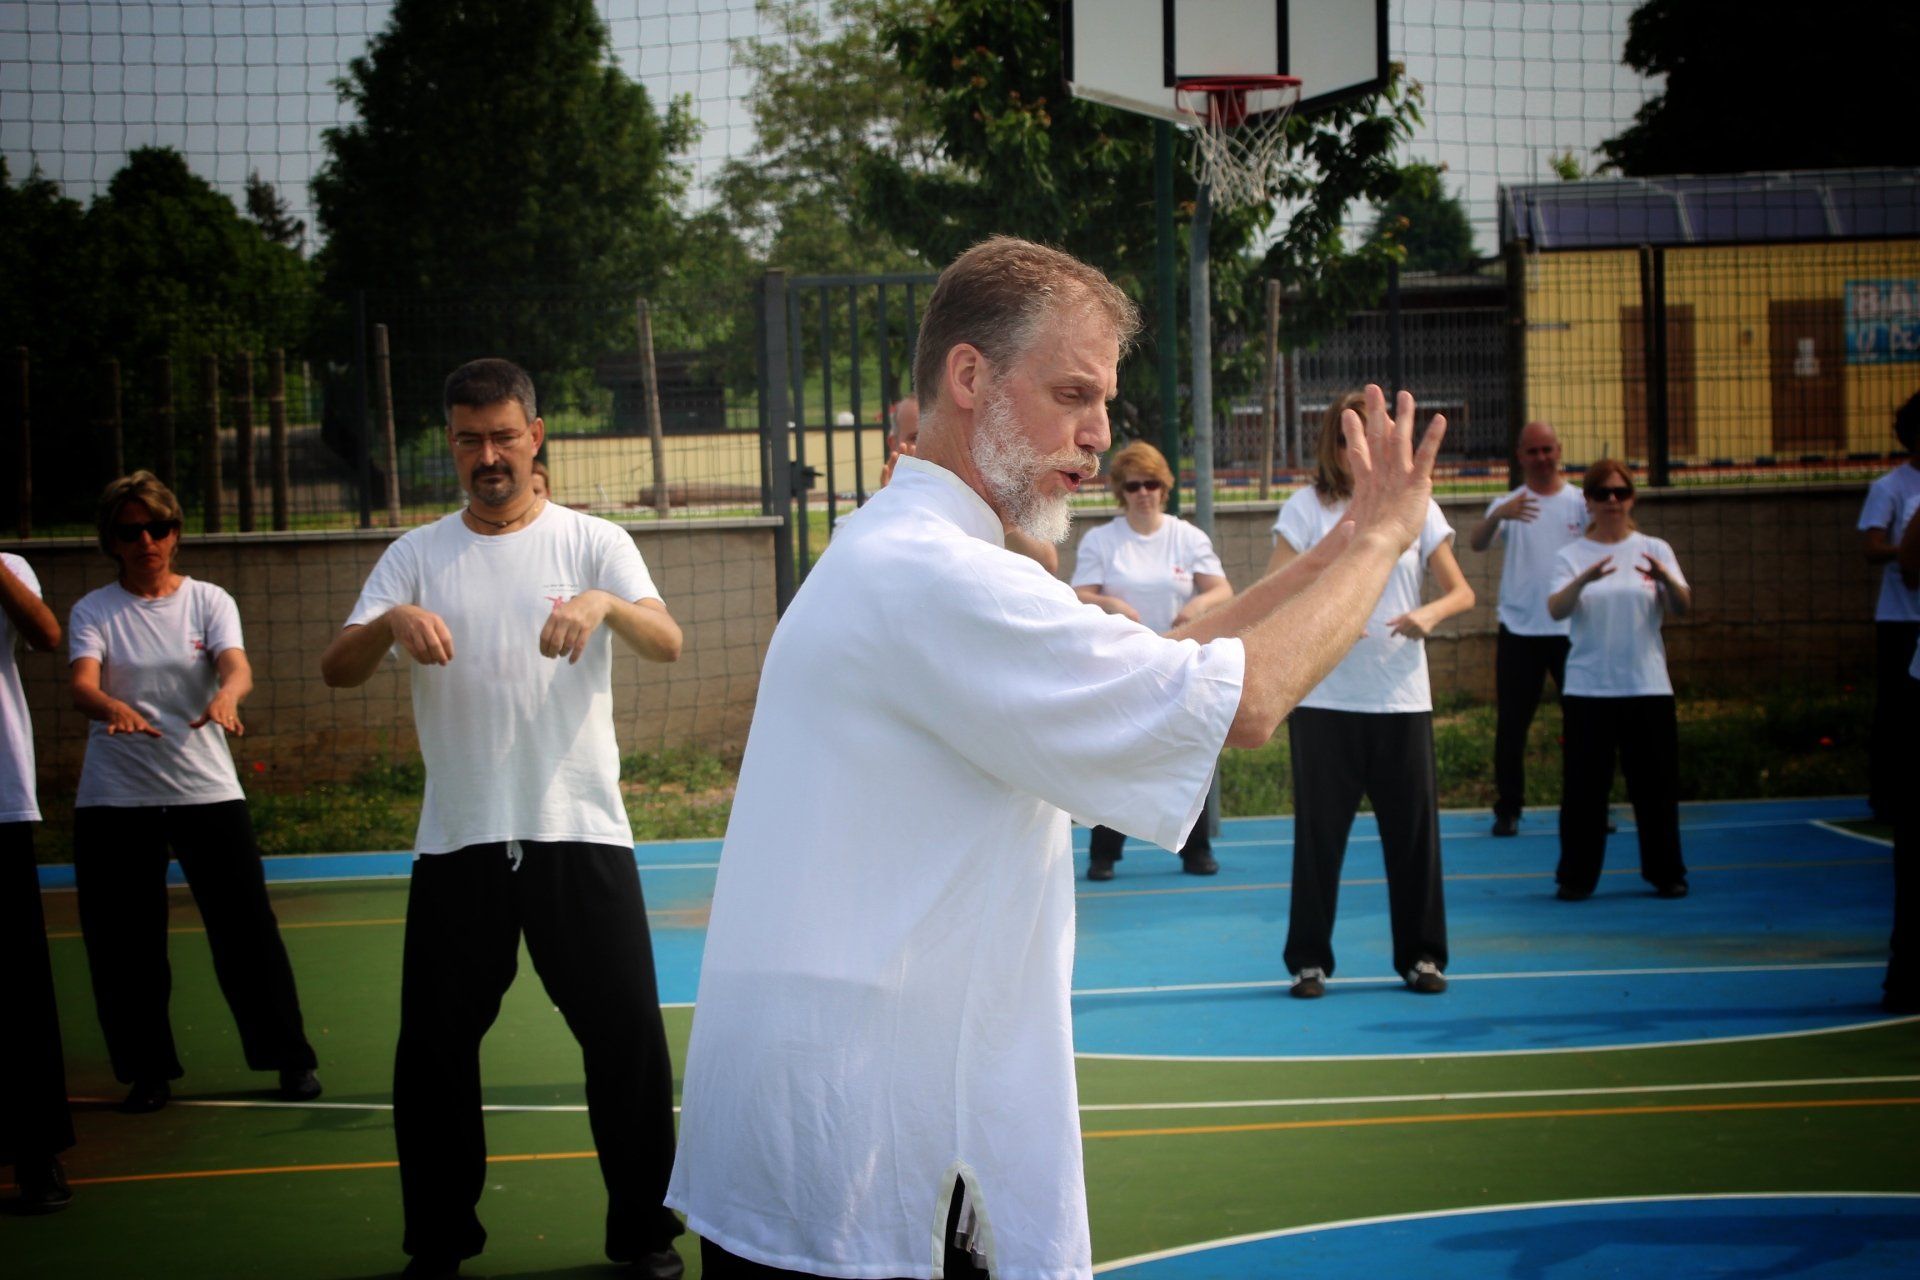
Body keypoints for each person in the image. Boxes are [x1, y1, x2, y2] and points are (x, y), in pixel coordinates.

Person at [667, 236, 1447, 1280]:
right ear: (969, 376)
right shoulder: (942, 577)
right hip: (866, 1158)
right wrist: (1382, 539)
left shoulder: (920, 551)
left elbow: (1170, 661)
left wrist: (1341, 536)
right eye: (1072, 392)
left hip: (837, 1136)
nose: (1098, 436)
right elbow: (1247, 703)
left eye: (1107, 402)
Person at [319, 358, 687, 1280]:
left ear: (536, 436)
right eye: (469, 439)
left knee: (627, 1044)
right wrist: (390, 621)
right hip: (461, 841)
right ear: (452, 443)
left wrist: (604, 603)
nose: (489, 455)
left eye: (504, 436)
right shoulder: (416, 555)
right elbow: (337, 667)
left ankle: (642, 1234)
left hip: (579, 834)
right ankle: (439, 1242)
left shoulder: (594, 541)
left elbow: (668, 640)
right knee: (434, 1056)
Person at [67, 472, 321, 1115]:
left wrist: (228, 695)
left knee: (246, 932)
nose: (146, 541)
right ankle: (146, 1072)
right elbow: (82, 683)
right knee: (125, 942)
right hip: (115, 799)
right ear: (113, 541)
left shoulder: (208, 599)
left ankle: (288, 1058)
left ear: (175, 533)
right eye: (131, 532)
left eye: (158, 528)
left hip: (206, 790)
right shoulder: (95, 610)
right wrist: (109, 708)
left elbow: (235, 666)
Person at [1268, 392, 1475, 1000]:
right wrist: (1320, 619)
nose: (1358, 450)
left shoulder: (1416, 506)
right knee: (1319, 838)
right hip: (1325, 701)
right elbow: (1275, 586)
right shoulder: (1308, 508)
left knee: (1412, 838)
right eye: (1345, 437)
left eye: (1372, 436)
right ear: (1333, 446)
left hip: (1400, 700)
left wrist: (1428, 615)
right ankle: (1310, 961)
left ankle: (1422, 957)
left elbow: (1460, 591)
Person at [1072, 439, 1232, 879]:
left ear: (1166, 488)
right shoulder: (1102, 540)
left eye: (1152, 484)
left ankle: (1195, 849)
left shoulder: (1188, 537)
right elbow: (1079, 594)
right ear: (1121, 491)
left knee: (1190, 753)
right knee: (1117, 758)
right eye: (1134, 485)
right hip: (1122, 665)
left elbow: (1221, 589)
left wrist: (1194, 610)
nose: (1144, 493)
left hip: (1181, 661)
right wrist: (1115, 606)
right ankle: (1103, 854)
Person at [1546, 458, 1692, 901]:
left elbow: (1683, 606)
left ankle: (1666, 872)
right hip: (1590, 688)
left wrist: (1666, 578)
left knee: (1655, 788)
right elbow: (1556, 609)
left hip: (1647, 686)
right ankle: (1576, 877)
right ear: (1587, 502)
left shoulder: (1656, 549)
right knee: (1584, 790)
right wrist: (1586, 578)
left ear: (1632, 498)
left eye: (1620, 493)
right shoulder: (1571, 556)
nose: (1612, 501)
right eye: (1602, 494)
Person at [1468, 420, 1588, 836]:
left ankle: (1589, 805)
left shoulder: (1580, 504)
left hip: (1573, 630)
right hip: (1520, 630)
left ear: (1559, 450)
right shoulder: (1509, 504)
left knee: (1586, 724)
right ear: (1520, 457)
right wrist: (1498, 515)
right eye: (1532, 452)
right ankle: (1509, 807)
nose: (1541, 458)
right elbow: (1477, 544)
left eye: (1547, 450)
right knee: (1512, 725)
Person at [0, 552, 74, 1212]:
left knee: (19, 992)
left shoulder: (9, 565)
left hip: (0, 803)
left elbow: (47, 636)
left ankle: (37, 1153)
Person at [880, 393, 1060, 574]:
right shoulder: (872, 513)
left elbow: (1047, 562)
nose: (927, 445)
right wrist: (892, 508)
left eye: (938, 434)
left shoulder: (985, 489)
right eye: (915, 437)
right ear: (893, 443)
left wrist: (994, 506)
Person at [1858, 391, 1920, 823]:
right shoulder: (1890, 488)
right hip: (1902, 616)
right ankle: (1885, 795)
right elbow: (1872, 547)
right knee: (1896, 709)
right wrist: (1908, 552)